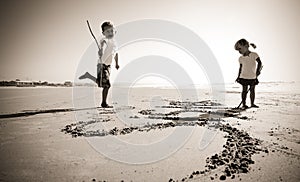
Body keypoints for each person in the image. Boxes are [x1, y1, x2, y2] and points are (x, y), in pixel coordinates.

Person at [79, 21, 119, 108]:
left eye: (111, 31)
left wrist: (116, 63)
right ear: (103, 33)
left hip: (109, 66)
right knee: (107, 85)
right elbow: (102, 46)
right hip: (101, 65)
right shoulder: (104, 40)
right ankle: (104, 103)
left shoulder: (115, 43)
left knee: (102, 84)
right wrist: (100, 50)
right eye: (107, 31)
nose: (110, 33)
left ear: (114, 31)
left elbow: (116, 54)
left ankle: (88, 75)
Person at [235, 38, 262, 109]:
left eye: (240, 49)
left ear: (246, 46)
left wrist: (258, 71)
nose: (239, 51)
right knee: (244, 90)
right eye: (238, 50)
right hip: (243, 76)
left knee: (252, 90)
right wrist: (238, 77)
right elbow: (240, 68)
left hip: (253, 76)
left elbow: (259, 62)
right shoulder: (240, 58)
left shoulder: (254, 55)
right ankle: (244, 104)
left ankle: (252, 104)